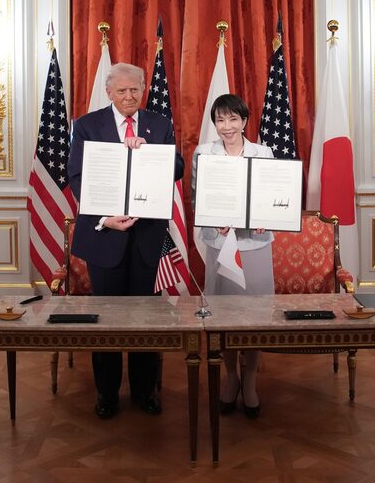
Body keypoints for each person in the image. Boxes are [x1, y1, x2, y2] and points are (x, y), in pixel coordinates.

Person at [68, 62, 184, 419]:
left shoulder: (159, 124)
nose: (129, 96)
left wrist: (150, 152)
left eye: (135, 89)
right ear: (109, 92)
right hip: (105, 238)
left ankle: (145, 391)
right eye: (122, 91)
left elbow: (177, 168)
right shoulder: (87, 126)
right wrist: (104, 219)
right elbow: (76, 177)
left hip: (147, 238)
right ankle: (106, 393)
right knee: (107, 320)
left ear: (143, 89)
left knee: (145, 320)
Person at [191, 93, 275, 419]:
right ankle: (231, 377)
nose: (227, 126)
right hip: (220, 243)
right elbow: (199, 197)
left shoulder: (263, 153)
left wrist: (264, 215)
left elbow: (270, 197)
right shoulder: (203, 153)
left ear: (244, 121)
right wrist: (216, 219)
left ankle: (251, 380)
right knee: (222, 313)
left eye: (233, 119)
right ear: (215, 123)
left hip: (254, 244)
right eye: (221, 120)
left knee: (253, 315)